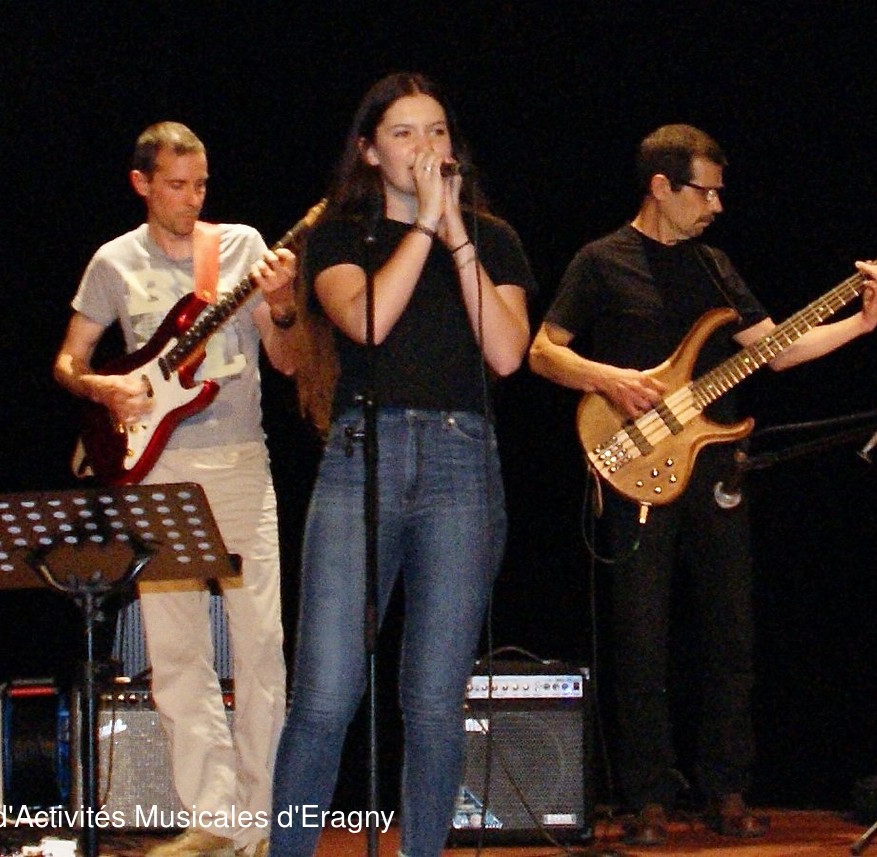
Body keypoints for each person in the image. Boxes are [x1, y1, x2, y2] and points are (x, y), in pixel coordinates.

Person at [528, 124, 877, 842]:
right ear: (661, 187)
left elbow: (776, 350)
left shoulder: (716, 268)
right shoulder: (601, 261)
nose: (717, 206)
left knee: (731, 633)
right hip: (634, 466)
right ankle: (647, 796)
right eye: (706, 191)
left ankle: (726, 786)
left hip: (717, 468)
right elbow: (543, 351)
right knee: (641, 635)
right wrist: (609, 379)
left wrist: (861, 323)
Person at [269, 72, 534, 857]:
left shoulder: (491, 237)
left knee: (434, 700)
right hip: (365, 454)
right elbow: (368, 320)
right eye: (405, 133)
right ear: (369, 150)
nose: (426, 147)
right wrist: (421, 226)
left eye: (437, 131)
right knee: (325, 694)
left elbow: (508, 354)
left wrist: (454, 233)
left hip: (462, 460)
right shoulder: (339, 236)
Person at [53, 121, 298, 857]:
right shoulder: (113, 261)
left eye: (201, 185)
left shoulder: (243, 247)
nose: (193, 199)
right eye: (177, 185)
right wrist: (104, 387)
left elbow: (287, 360)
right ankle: (213, 818)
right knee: (178, 651)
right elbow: (68, 361)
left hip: (240, 463)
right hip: (155, 470)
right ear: (142, 184)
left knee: (261, 646)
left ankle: (261, 820)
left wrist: (283, 304)